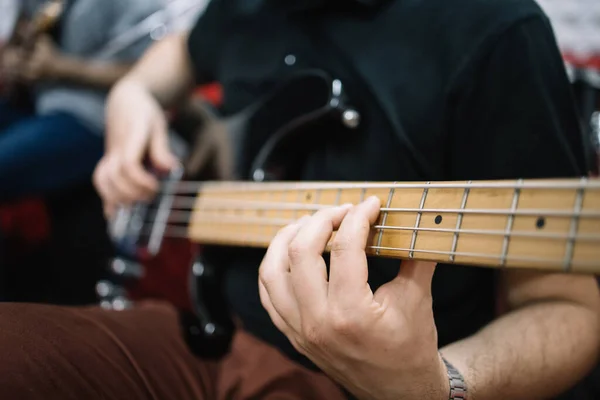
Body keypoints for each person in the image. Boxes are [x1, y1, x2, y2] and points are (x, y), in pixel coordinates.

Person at [1, 0, 600, 399]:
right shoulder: (250, 5)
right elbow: (178, 55)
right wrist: (130, 97)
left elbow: (568, 308)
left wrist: (440, 383)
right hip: (210, 331)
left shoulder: (495, 28)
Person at [0, 0, 168, 202]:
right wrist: (15, 53)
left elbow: (151, 72)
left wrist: (62, 67)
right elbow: (23, 23)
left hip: (92, 116)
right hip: (37, 101)